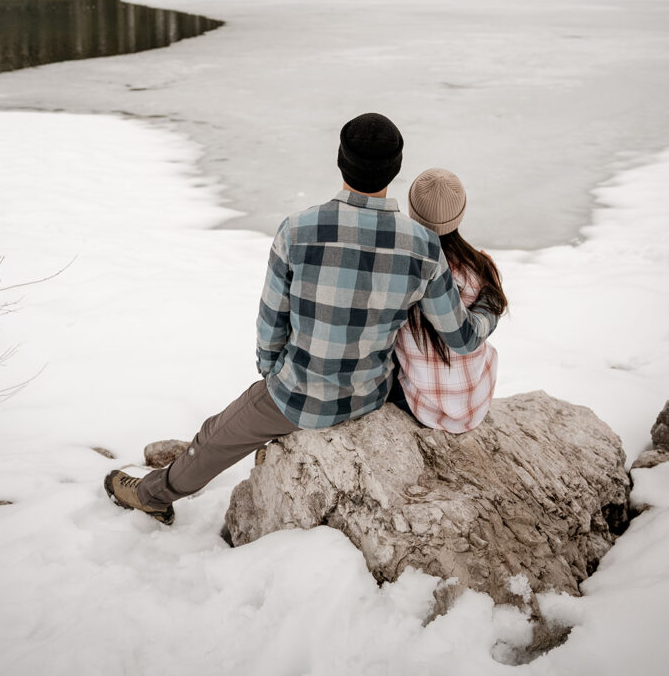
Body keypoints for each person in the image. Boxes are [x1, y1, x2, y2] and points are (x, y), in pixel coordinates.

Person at [104, 114, 499, 524]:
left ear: (341, 162)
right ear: (396, 168)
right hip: (370, 396)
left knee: (214, 437)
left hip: (300, 394)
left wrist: (273, 376)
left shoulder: (297, 230)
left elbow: (271, 323)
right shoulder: (422, 247)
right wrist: (488, 307)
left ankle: (152, 495)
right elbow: (462, 339)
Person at [389, 168, 507, 431]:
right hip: (474, 403)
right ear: (460, 213)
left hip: (421, 407)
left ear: (411, 209)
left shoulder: (401, 270)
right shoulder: (481, 266)